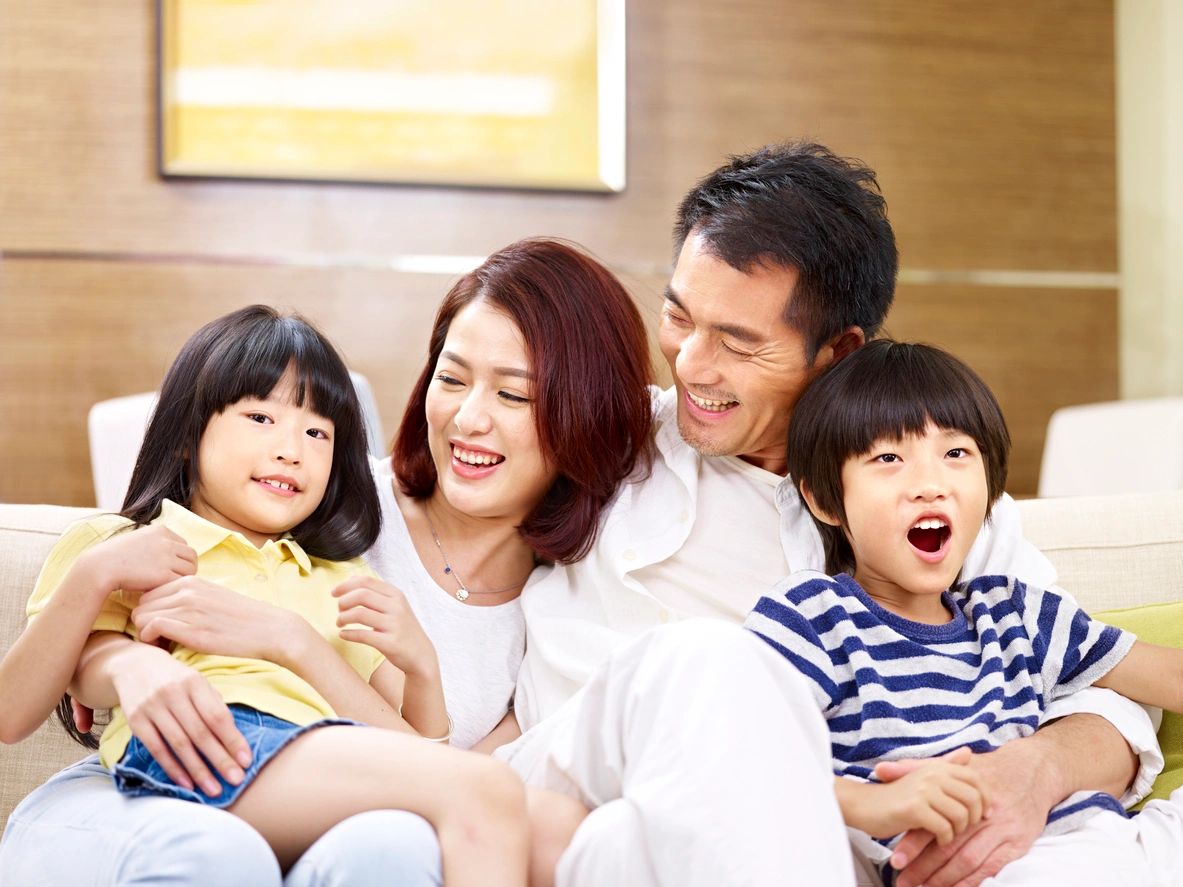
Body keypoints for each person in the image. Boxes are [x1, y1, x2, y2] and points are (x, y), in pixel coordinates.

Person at [502, 142, 1163, 886]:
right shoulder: (599, 440)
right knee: (705, 671)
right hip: (582, 802)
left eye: (737, 342)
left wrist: (1036, 766)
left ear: (837, 351)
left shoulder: (940, 507)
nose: (689, 362)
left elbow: (1109, 700)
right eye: (679, 316)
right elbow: (421, 502)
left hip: (806, 851)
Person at [1, 251, 654, 887]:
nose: (290, 451)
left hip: (320, 767)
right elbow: (56, 682)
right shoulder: (182, 540)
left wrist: (365, 654)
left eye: (317, 434)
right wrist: (115, 649)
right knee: (478, 791)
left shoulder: (331, 571)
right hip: (213, 749)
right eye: (450, 379)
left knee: (482, 824)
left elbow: (410, 740)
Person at [745, 338, 1183, 885]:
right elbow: (745, 758)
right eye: (888, 459)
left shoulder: (1013, 612)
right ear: (825, 500)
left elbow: (1166, 673)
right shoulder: (811, 617)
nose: (930, 485)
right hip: (981, 867)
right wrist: (867, 802)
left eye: (956, 454)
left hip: (1102, 841)